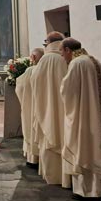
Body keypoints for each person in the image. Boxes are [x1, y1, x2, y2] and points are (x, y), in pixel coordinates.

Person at [60, 38, 101, 200]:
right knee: (98, 148)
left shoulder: (77, 63)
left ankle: (87, 191)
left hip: (84, 115)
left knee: (85, 147)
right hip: (97, 115)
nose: (62, 56)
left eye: (62, 52)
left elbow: (67, 91)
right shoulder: (94, 61)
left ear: (68, 50)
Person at [30, 31, 69, 186]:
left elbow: (34, 82)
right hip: (66, 109)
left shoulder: (44, 60)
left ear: (48, 42)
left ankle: (53, 176)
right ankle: (67, 178)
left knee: (50, 135)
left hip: (47, 108)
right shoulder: (67, 58)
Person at [15, 47, 44, 167]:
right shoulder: (47, 69)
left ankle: (33, 159)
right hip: (44, 109)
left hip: (31, 106)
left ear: (33, 57)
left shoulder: (30, 71)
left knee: (32, 131)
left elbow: (20, 89)